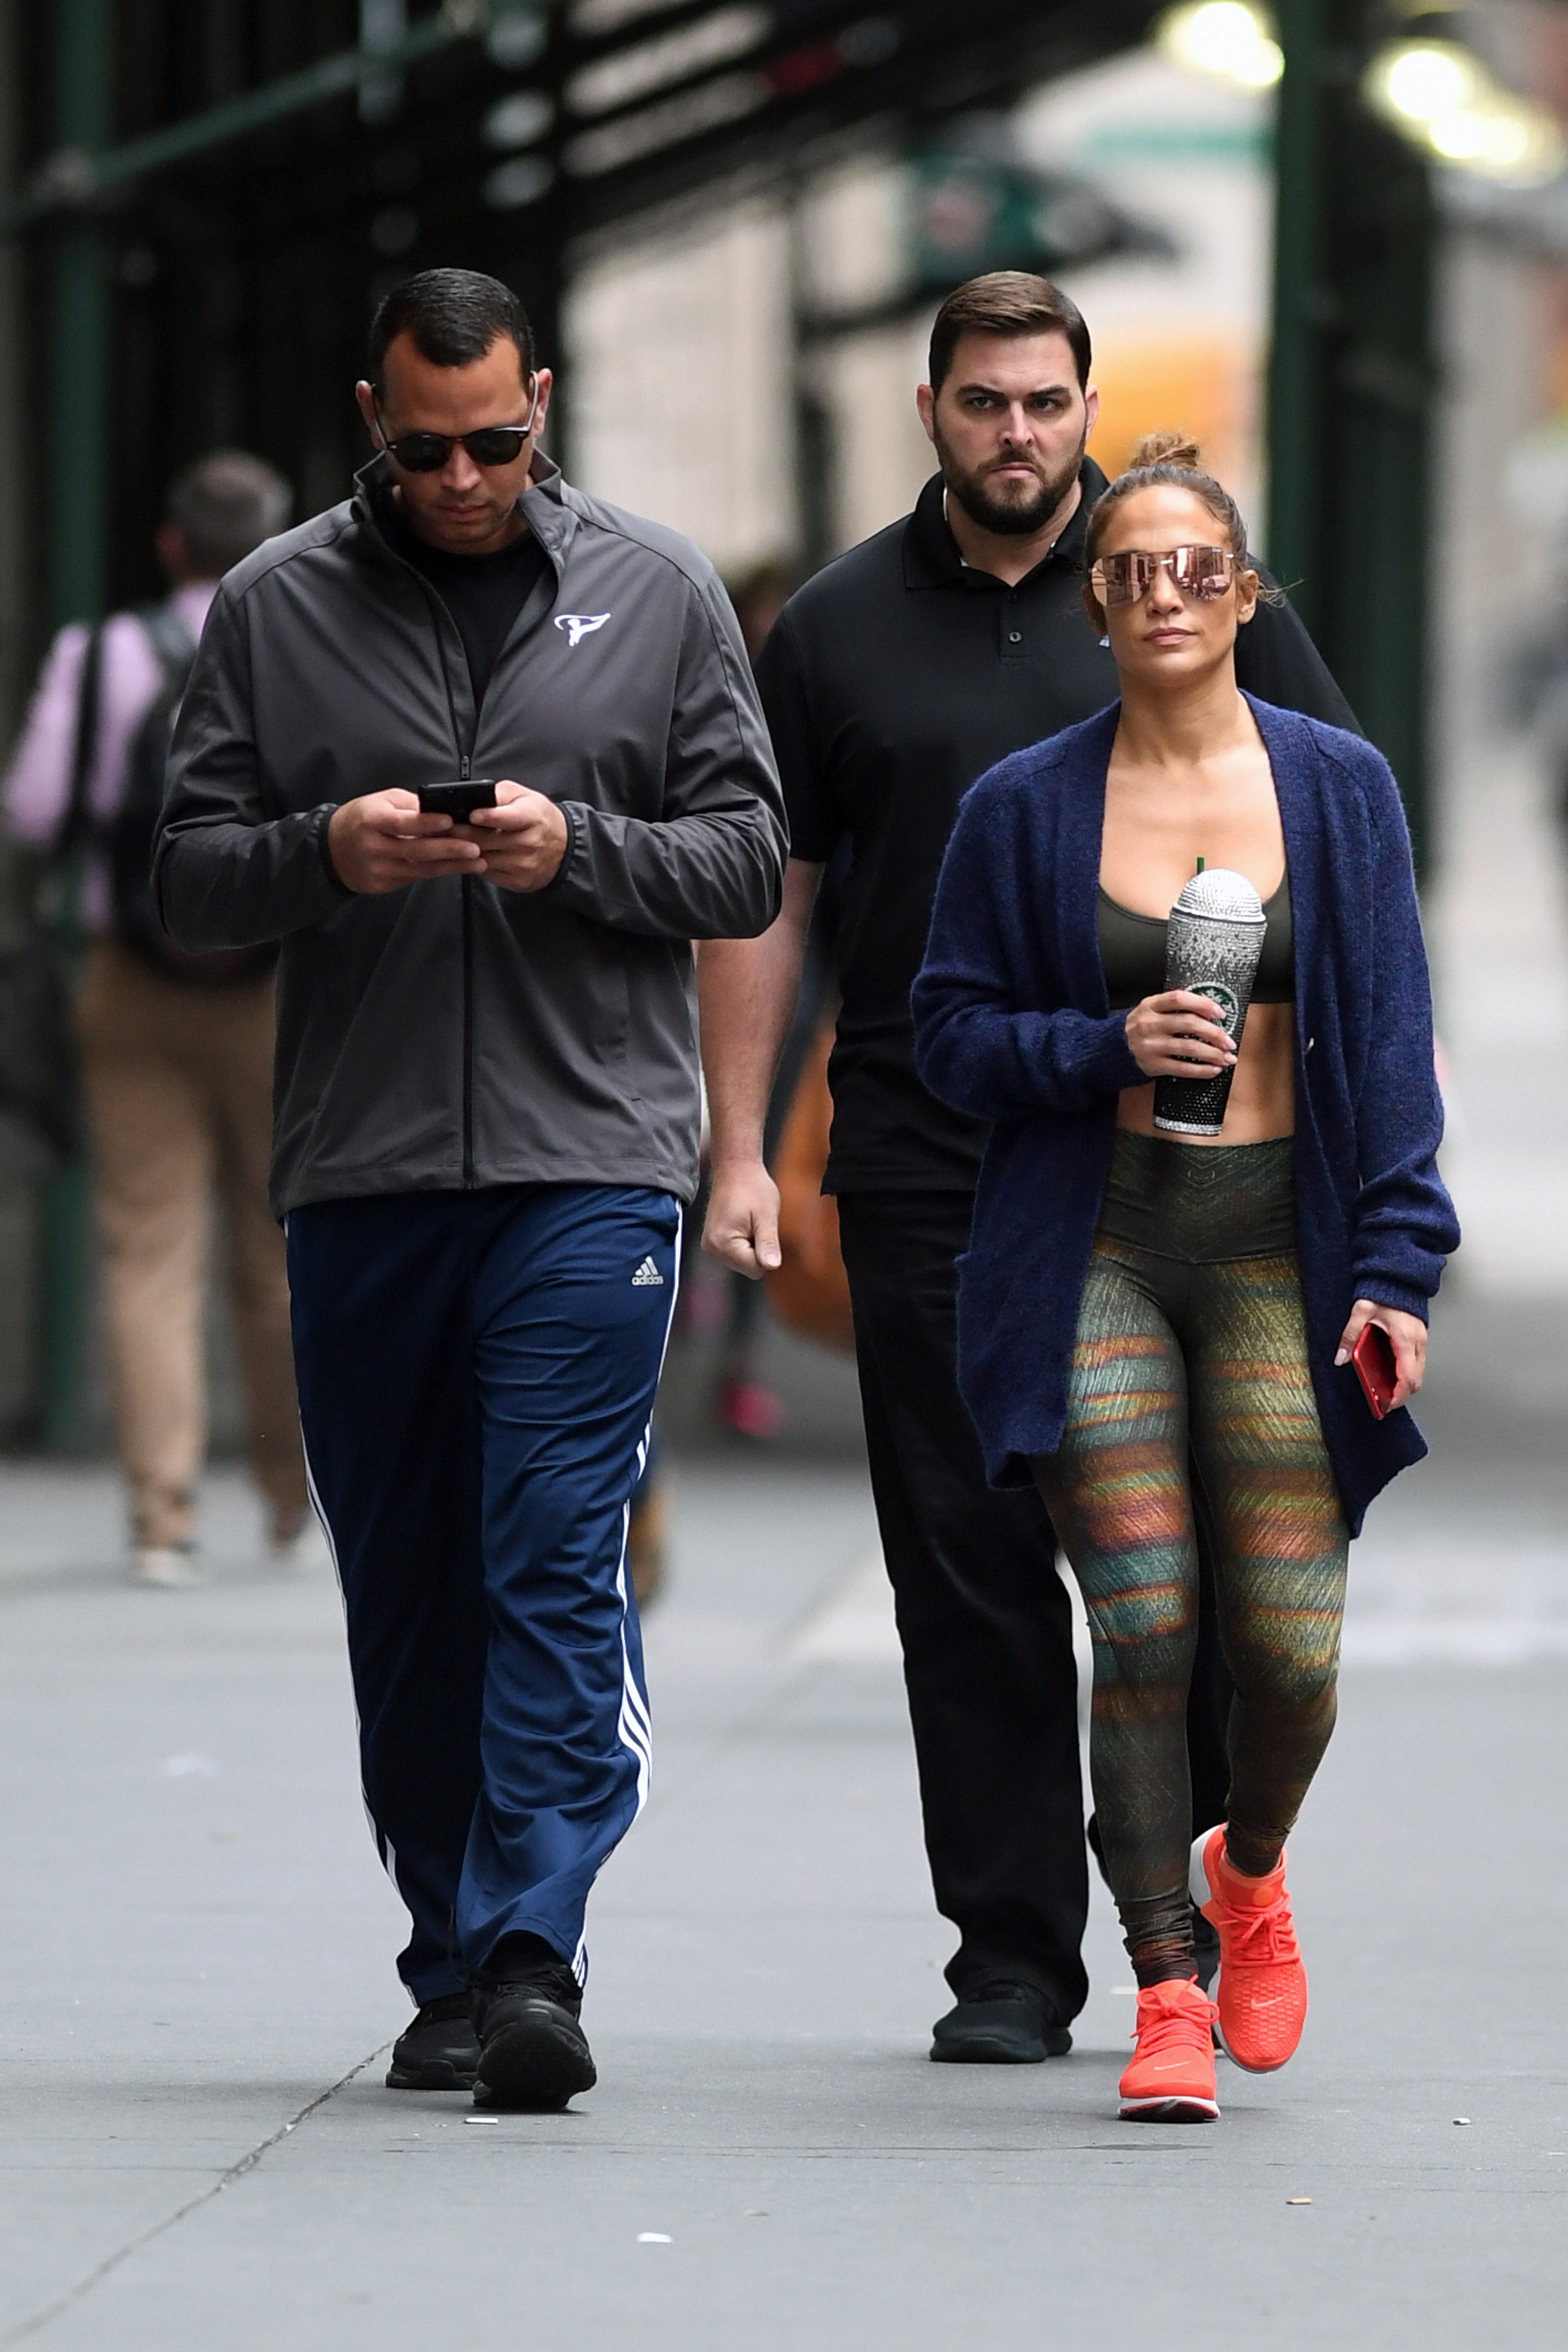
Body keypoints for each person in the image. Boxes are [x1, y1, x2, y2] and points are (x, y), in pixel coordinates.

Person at [698, 272, 1361, 2065]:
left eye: (1047, 402)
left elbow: (1337, 844)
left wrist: (1363, 1150)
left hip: (1179, 1167)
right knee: (967, 1564)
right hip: (931, 1151)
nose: (1018, 433)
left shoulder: (1177, 587)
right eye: (985, 401)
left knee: (1190, 1570)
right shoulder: (834, 629)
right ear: (929, 410)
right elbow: (773, 895)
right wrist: (739, 1143)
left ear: (1086, 407)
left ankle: (1195, 1925)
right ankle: (1010, 1956)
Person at [152, 269, 785, 2110]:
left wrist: (575, 848)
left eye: (495, 444)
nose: (459, 480)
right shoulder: (277, 603)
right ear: (372, 415)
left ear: (543, 404)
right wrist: (324, 851)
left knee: (552, 1548)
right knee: (411, 1579)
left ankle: (531, 1954)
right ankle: (446, 1952)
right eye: (425, 448)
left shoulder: (656, 591)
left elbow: (748, 863)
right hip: (362, 1167)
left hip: (591, 1157)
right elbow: (185, 875)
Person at [911, 432, 1458, 2119]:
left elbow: (1393, 1051)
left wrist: (1400, 1270)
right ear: (1095, 602)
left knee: (1287, 1649)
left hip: (1281, 1247)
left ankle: (1249, 1868)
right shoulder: (1023, 807)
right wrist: (1103, 1047)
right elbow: (947, 1034)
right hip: (1101, 1249)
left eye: (1196, 567)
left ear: (1245, 594)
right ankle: (1166, 1989)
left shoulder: (1338, 788)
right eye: (1132, 570)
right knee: (1142, 1620)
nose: (1165, 594)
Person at [3, 451, 306, 1587]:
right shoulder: (307, 643)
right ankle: (290, 1497)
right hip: (274, 986)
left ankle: (160, 1516)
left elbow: (37, 808)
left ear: (172, 544)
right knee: (279, 1250)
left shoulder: (100, 656)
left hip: (130, 976)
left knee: (146, 1248)